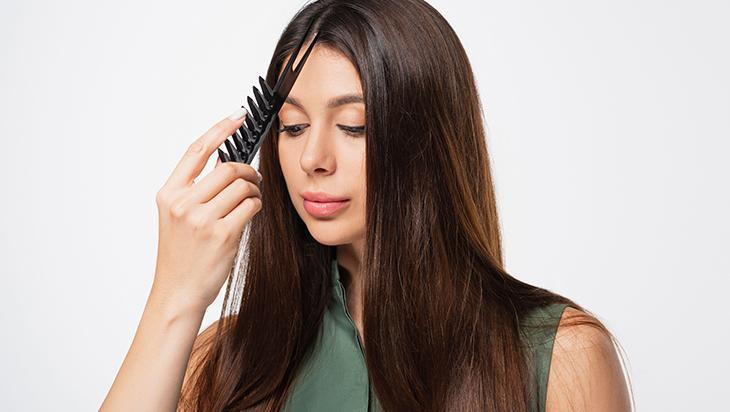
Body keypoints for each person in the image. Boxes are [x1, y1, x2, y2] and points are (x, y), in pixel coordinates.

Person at [101, 0, 633, 411]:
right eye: (293, 126)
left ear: (429, 140)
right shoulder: (223, 361)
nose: (313, 158)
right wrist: (174, 298)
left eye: (354, 126)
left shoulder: (560, 357)